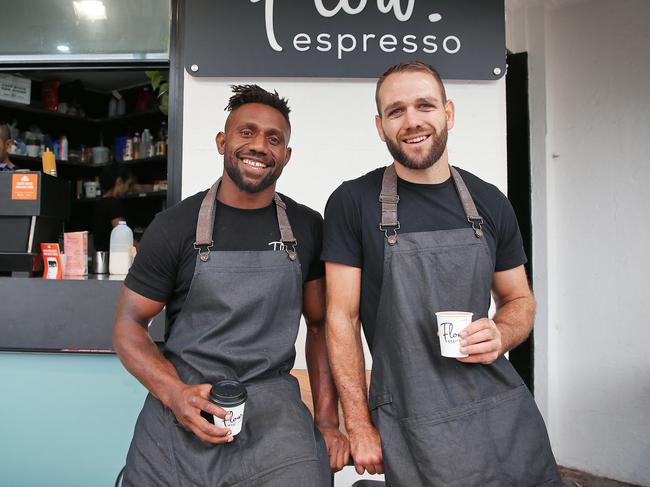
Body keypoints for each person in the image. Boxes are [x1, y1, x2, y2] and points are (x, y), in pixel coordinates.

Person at [323, 61, 561, 486]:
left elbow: (519, 300)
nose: (412, 121)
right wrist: (357, 425)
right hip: (412, 415)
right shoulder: (353, 202)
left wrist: (502, 334)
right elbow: (342, 318)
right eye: (396, 111)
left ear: (448, 113)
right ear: (380, 127)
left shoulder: (490, 202)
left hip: (498, 409)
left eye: (424, 105)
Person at [113, 84, 349, 486]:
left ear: (286, 156)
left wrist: (328, 422)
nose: (259, 145)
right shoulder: (174, 227)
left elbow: (320, 326)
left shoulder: (308, 227)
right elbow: (128, 327)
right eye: (246, 132)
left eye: (273, 139)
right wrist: (173, 394)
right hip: (184, 401)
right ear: (223, 141)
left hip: (274, 412)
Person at [92, 163, 134, 251]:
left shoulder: (99, 202)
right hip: (113, 259)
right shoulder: (113, 203)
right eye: (129, 185)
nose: (129, 190)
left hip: (100, 258)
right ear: (119, 182)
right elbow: (124, 238)